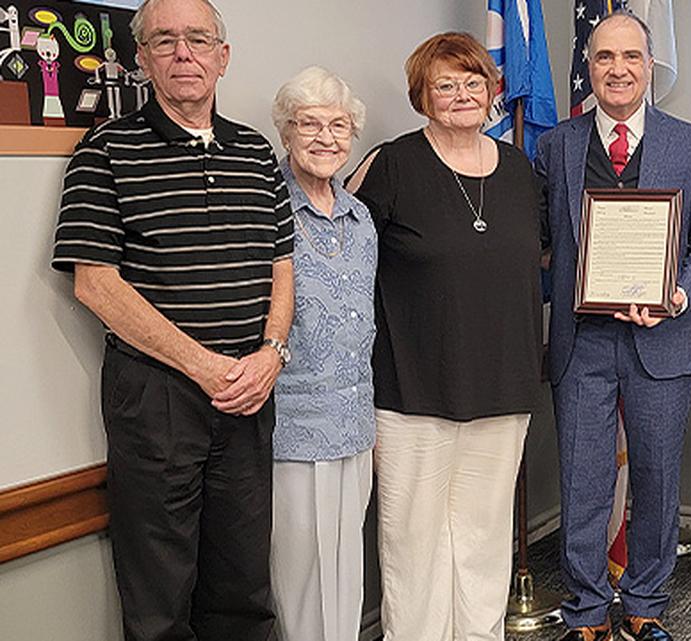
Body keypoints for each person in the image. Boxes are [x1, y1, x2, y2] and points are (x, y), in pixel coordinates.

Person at [50, 1, 294, 640]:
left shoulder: (255, 151)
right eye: (164, 41)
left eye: (198, 39)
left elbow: (283, 265)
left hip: (251, 390)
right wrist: (204, 366)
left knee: (244, 587)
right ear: (142, 59)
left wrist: (271, 352)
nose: (183, 53)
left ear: (223, 55)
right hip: (157, 397)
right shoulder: (105, 151)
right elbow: (95, 283)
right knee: (160, 596)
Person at [535, 12, 691, 641]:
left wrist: (679, 295)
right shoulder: (556, 145)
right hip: (580, 343)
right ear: (587, 66)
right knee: (583, 482)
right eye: (603, 57)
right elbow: (538, 240)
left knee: (657, 478)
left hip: (661, 339)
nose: (617, 69)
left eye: (630, 57)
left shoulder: (689, 141)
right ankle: (587, 612)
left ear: (650, 66)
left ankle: (646, 604)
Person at [346, 32, 543, 641]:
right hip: (411, 388)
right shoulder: (393, 164)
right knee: (413, 539)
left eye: (472, 83)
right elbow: (340, 260)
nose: (461, 95)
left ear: (493, 92)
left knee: (485, 537)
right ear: (422, 97)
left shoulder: (518, 169)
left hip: (503, 383)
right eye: (444, 85)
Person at [268, 66, 374, 641]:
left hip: (356, 426)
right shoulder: (268, 212)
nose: (325, 137)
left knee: (346, 574)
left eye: (338, 125)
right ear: (286, 133)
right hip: (294, 427)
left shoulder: (362, 220)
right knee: (301, 576)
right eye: (309, 124)